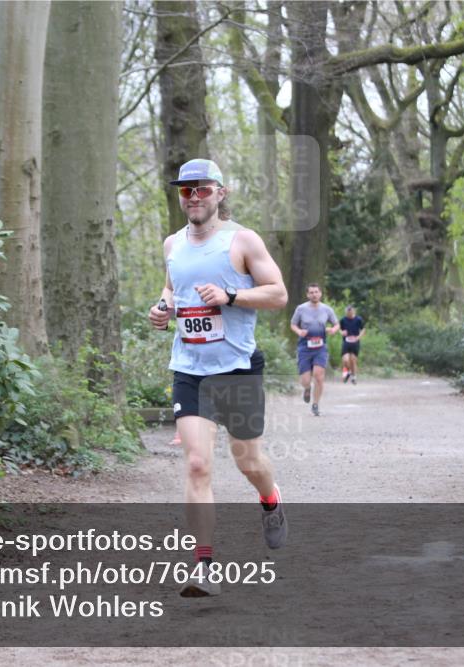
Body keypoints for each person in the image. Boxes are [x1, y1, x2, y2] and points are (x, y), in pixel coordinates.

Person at [148, 158, 289, 597]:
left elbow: (278, 294)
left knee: (248, 461)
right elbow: (173, 287)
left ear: (220, 192)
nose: (193, 197)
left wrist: (231, 295)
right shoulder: (173, 244)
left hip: (238, 369)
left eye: (202, 189)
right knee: (196, 463)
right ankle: (204, 565)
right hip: (190, 370)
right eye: (185, 190)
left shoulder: (242, 240)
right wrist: (162, 306)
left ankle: (270, 501)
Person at [289, 284, 339, 417]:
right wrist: (299, 331)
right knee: (305, 380)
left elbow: (336, 324)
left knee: (318, 376)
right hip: (304, 346)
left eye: (316, 292)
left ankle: (315, 404)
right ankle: (307, 388)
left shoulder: (327, 309)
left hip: (321, 347)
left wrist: (333, 329)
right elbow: (293, 324)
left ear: (320, 293)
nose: (314, 295)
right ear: (307, 295)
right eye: (311, 292)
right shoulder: (301, 309)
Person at [339, 305, 366, 384]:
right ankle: (349, 372)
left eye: (350, 313)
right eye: (347, 313)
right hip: (346, 342)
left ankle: (354, 377)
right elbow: (339, 328)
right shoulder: (343, 320)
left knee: (353, 360)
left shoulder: (358, 319)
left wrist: (358, 337)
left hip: (355, 342)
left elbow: (363, 329)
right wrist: (342, 332)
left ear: (354, 311)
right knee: (345, 360)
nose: (349, 314)